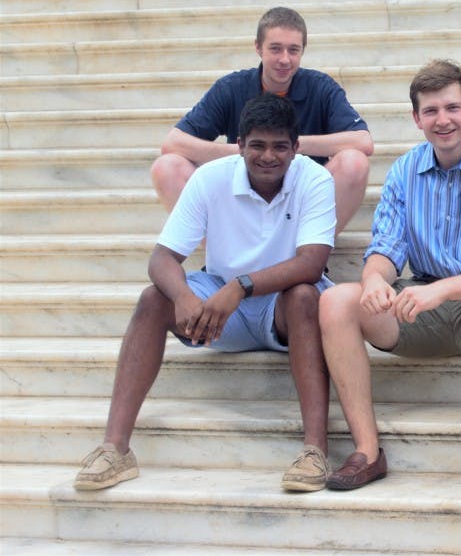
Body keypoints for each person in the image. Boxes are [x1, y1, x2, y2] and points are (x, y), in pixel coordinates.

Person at [75, 93, 337, 493]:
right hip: (220, 301)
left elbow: (311, 263)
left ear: (297, 147)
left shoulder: (314, 179)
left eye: (280, 146)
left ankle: (314, 451)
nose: (269, 156)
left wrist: (242, 286)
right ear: (240, 145)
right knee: (152, 298)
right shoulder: (211, 178)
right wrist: (183, 297)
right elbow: (162, 257)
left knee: (305, 295)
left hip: (280, 303)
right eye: (257, 146)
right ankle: (115, 448)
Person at [318, 60, 461, 492]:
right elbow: (385, 248)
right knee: (335, 300)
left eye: (452, 108)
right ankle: (367, 450)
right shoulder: (404, 170)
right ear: (416, 118)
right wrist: (376, 279)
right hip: (420, 306)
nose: (443, 120)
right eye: (431, 111)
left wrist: (441, 290)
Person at [150, 6, 373, 235]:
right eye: (275, 49)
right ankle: (224, 255)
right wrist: (243, 150)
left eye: (293, 50)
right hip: (241, 196)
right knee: (166, 167)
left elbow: (363, 142)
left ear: (303, 51)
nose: (285, 59)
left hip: (300, 201)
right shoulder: (231, 88)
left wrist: (290, 146)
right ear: (258, 47)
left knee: (354, 162)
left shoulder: (321, 88)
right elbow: (172, 143)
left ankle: (310, 250)